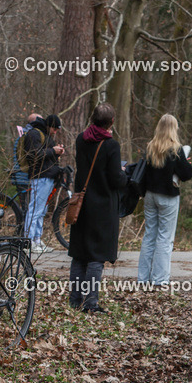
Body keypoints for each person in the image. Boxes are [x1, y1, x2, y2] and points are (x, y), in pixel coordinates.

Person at [68, 103, 127, 313]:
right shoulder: (112, 146)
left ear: (92, 119)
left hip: (82, 205)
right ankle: (91, 303)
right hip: (102, 207)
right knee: (96, 256)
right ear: (111, 122)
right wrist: (123, 172)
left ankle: (75, 300)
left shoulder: (80, 140)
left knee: (79, 253)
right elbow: (115, 179)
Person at [138, 114, 192, 284]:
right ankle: (160, 279)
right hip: (168, 197)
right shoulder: (176, 149)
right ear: (173, 129)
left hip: (150, 195)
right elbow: (187, 174)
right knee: (165, 238)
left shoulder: (151, 147)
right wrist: (186, 163)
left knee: (149, 236)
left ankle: (143, 278)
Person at [22, 114, 64, 253]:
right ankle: (28, 241)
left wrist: (55, 152)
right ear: (49, 125)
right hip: (40, 177)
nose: (55, 132)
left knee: (41, 211)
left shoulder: (44, 136)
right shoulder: (34, 134)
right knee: (35, 210)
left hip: (47, 177)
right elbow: (34, 154)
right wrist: (53, 150)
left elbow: (44, 155)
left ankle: (37, 239)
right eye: (55, 128)